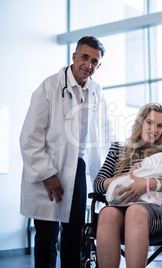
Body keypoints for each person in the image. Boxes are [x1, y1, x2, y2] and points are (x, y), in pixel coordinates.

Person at [20, 36, 111, 268]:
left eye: (94, 61)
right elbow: (30, 137)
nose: (88, 65)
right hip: (48, 166)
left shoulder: (96, 91)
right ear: (74, 56)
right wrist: (47, 175)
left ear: (98, 65)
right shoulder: (49, 86)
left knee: (75, 236)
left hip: (77, 168)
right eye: (84, 57)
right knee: (46, 238)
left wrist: (105, 174)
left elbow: (103, 134)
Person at [93, 103, 162, 268]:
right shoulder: (117, 149)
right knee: (106, 214)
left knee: (135, 211)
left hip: (157, 211)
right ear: (140, 123)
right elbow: (99, 185)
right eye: (150, 122)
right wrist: (130, 177)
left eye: (160, 125)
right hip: (120, 206)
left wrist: (147, 184)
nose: (154, 129)